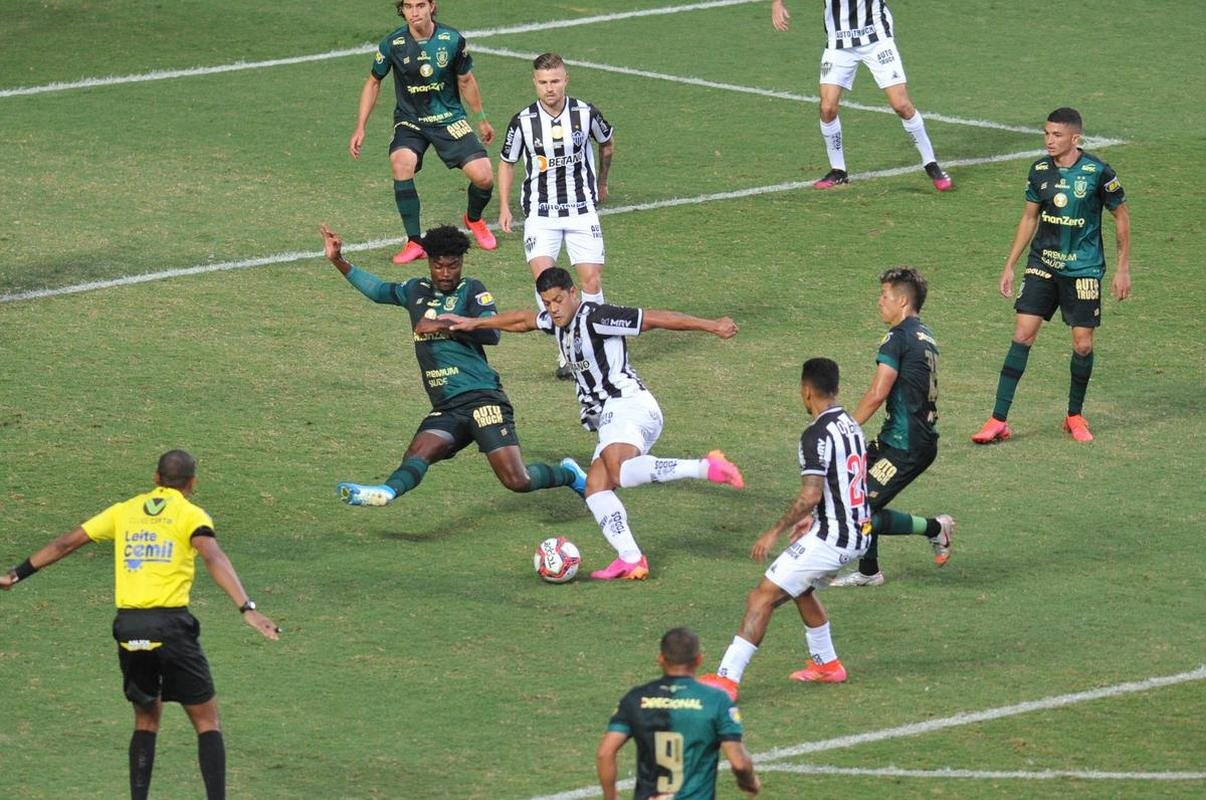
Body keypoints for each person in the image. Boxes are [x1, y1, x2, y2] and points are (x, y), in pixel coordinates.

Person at [0, 450, 280, 800]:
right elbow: (212, 555)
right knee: (207, 721)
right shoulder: (190, 515)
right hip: (171, 626)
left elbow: (66, 543)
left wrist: (16, 574)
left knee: (146, 720)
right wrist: (247, 608)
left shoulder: (124, 510)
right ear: (191, 483)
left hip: (130, 627)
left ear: (156, 478)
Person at [440, 267, 745, 580]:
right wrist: (476, 322)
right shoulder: (556, 322)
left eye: (558, 299)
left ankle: (705, 467)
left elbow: (653, 318)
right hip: (616, 417)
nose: (553, 308)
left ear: (574, 293)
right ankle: (631, 558)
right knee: (597, 489)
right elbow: (523, 320)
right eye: (547, 302)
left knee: (620, 473)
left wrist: (711, 326)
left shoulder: (596, 317)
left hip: (626, 404)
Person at [320, 224, 586, 507]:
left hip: (483, 398)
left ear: (462, 262)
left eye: (453, 266)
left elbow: (492, 334)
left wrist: (445, 326)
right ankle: (386, 492)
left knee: (517, 481)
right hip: (448, 406)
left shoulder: (471, 290)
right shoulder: (414, 290)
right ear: (429, 263)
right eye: (439, 266)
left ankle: (569, 475)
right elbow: (377, 290)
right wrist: (338, 260)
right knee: (418, 453)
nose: (446, 273)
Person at [699, 358, 870, 700]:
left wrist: (774, 531)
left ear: (807, 392)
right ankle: (827, 665)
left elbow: (811, 493)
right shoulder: (850, 424)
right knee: (801, 588)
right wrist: (815, 516)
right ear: (834, 389)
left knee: (762, 595)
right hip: (857, 531)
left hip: (832, 537)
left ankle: (726, 680)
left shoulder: (815, 434)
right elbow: (843, 480)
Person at [972, 107, 1131, 444]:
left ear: (1076, 138)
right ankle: (998, 419)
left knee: (1083, 345)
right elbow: (1029, 218)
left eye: (1057, 135)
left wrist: (1122, 268)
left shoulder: (1098, 172)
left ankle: (1074, 415)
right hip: (1042, 263)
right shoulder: (1039, 170)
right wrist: (1010, 264)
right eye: (1046, 133)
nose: (1049, 140)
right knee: (1022, 334)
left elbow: (1120, 216)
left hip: (1084, 269)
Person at [830, 267, 954, 587]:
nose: (878, 302)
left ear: (901, 301)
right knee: (853, 495)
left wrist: (845, 427)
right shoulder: (924, 335)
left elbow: (877, 393)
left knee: (860, 510)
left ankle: (935, 528)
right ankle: (869, 572)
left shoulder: (897, 338)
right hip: (900, 438)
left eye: (884, 296)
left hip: (907, 445)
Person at [350, 0, 497, 264]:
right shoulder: (392, 44)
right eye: (408, 6)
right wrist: (361, 126)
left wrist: (482, 119)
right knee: (401, 162)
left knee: (484, 177)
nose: (414, 12)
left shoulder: (451, 40)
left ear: (432, 6)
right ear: (402, 10)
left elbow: (466, 80)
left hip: (448, 117)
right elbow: (373, 82)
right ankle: (415, 242)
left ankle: (473, 218)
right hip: (411, 120)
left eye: (420, 5)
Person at [498, 52, 615, 378]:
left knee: (590, 280)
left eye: (555, 81)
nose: (550, 88)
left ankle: (595, 344)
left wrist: (602, 181)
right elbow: (507, 162)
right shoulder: (522, 121)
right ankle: (567, 352)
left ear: (566, 80)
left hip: (581, 211)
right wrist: (504, 206)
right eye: (543, 82)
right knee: (545, 284)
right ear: (535, 83)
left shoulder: (585, 113)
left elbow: (607, 143)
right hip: (541, 214)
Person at [771, 0, 952, 191]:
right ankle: (838, 171)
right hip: (839, 43)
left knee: (901, 105)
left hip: (876, 39)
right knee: (827, 108)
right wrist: (777, 3)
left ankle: (931, 164)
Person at [597, 627, 761, 800]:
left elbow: (605, 753)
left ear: (660, 659)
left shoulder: (636, 698)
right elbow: (739, 763)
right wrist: (750, 782)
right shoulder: (716, 701)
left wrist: (610, 797)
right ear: (699, 660)